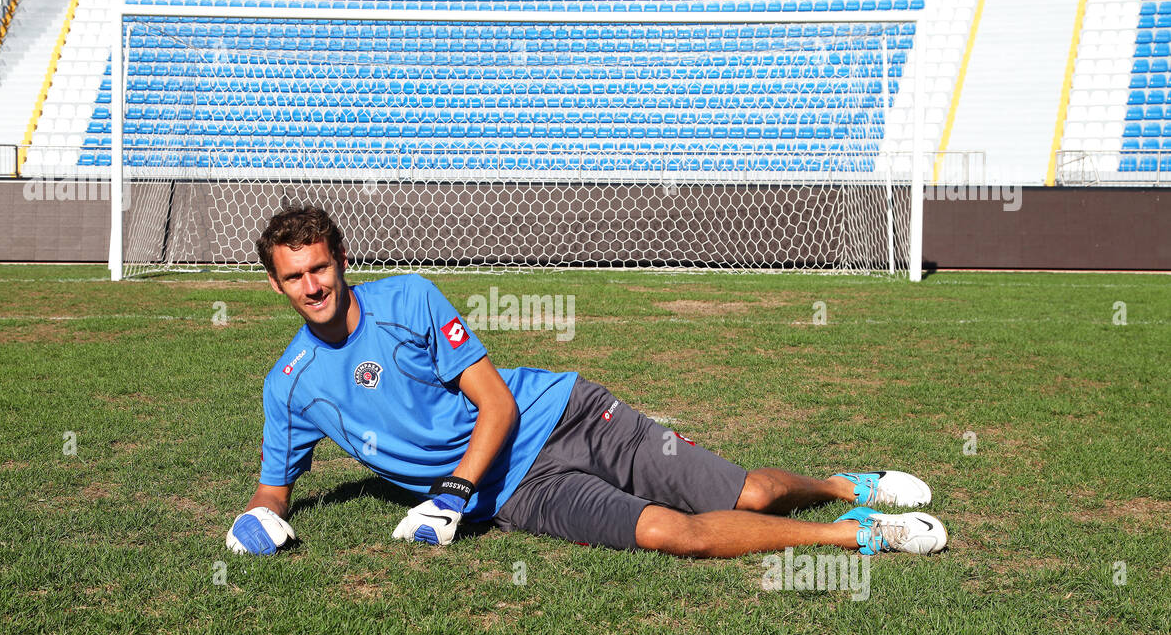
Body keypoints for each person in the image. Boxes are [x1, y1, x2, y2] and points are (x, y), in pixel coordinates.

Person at [225, 205, 949, 559]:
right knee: (675, 534)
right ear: (274, 283)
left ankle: (844, 486)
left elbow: (496, 402)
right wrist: (259, 517)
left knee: (751, 493)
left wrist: (450, 494)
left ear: (342, 257)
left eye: (320, 267)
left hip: (563, 414)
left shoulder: (408, 298)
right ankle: (861, 535)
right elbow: (274, 486)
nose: (312, 285)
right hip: (520, 491)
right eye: (295, 277)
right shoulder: (288, 386)